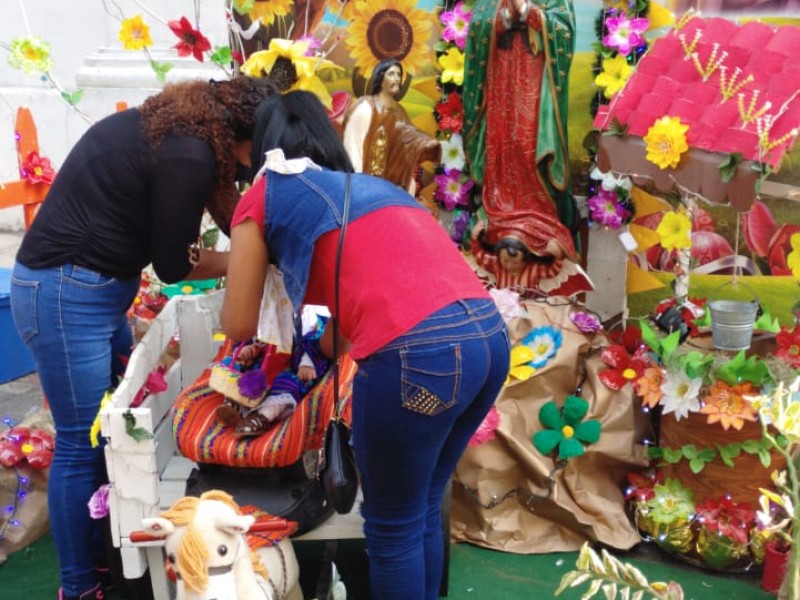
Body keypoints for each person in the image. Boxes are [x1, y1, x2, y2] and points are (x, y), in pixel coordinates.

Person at [221, 90, 510, 599]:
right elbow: (336, 337)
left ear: (262, 148)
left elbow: (239, 322)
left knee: (393, 525)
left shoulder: (264, 195)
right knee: (419, 508)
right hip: (488, 339)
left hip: (420, 355)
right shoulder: (368, 188)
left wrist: (245, 264)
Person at [10, 76, 276, 600]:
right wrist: (254, 265)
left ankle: (102, 556)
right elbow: (174, 263)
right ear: (240, 135)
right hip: (64, 293)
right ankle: (79, 587)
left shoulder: (188, 132)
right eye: (254, 155)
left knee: (107, 434)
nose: (249, 167)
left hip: (90, 288)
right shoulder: (189, 154)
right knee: (78, 445)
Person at [462, 0, 593, 296]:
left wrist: (532, 14)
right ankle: (502, 210)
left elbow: (564, 31)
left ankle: (537, 216)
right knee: (504, 145)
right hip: (501, 79)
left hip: (535, 80)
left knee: (526, 145)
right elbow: (479, 26)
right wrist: (505, 17)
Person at [215, 308, 331, 436]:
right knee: (237, 369)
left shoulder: (310, 312)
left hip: (292, 366)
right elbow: (257, 336)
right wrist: (249, 349)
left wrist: (307, 362)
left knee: (287, 383)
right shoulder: (266, 306)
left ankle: (262, 417)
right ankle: (234, 405)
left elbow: (318, 340)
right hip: (264, 363)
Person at [342, 58, 441, 196]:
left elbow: (410, 138)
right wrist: (358, 185)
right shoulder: (364, 108)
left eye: (399, 74)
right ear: (380, 78)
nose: (396, 78)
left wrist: (431, 145)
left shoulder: (399, 111)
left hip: (392, 185)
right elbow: (352, 148)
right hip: (365, 184)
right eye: (391, 74)